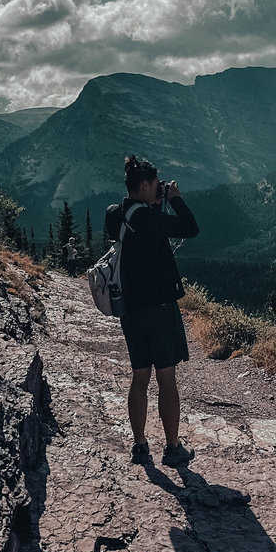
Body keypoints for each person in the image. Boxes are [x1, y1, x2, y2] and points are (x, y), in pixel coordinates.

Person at [105, 154, 200, 467]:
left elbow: (144, 236)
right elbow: (189, 228)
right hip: (159, 307)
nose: (159, 187)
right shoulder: (147, 217)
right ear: (144, 185)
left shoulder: (117, 213)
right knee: (167, 379)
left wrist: (155, 203)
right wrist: (175, 199)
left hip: (131, 309)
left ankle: (140, 445)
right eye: (156, 184)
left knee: (139, 378)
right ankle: (172, 448)